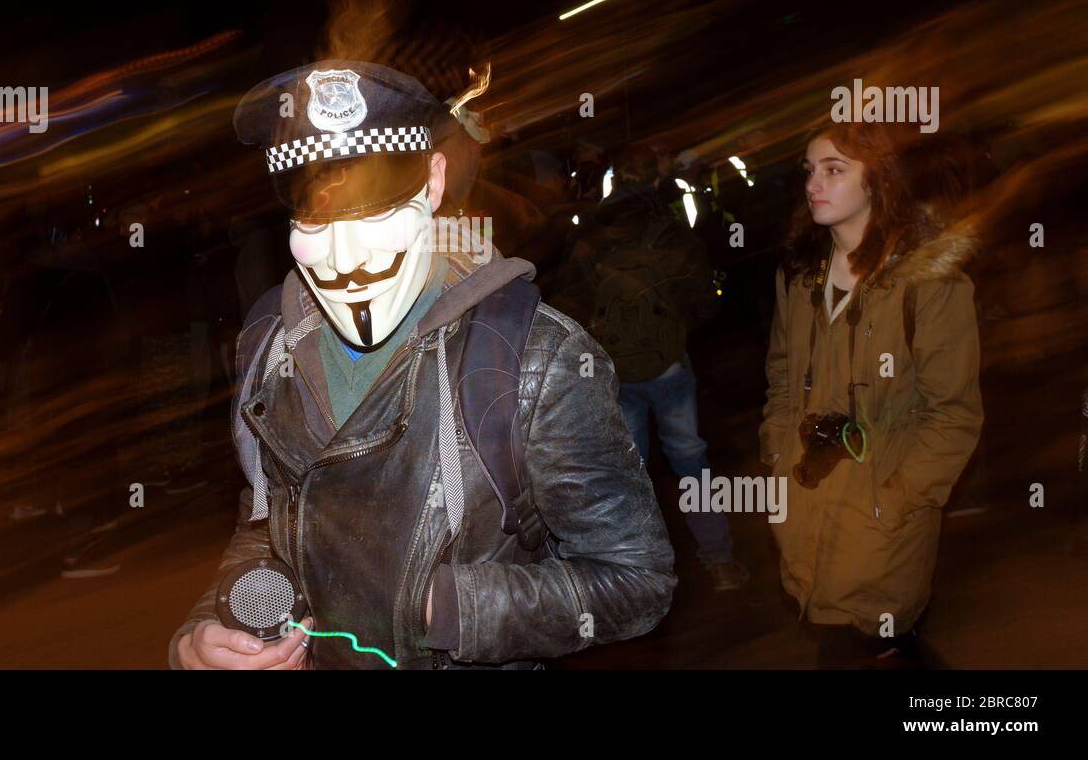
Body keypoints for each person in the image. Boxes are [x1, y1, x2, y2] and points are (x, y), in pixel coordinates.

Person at [169, 60, 676, 669]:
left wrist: (446, 606)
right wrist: (211, 628)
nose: (347, 255)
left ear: (434, 180)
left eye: (375, 209)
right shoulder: (269, 345)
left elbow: (635, 580)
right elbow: (264, 519)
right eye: (316, 212)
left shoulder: (535, 360)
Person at [760, 120, 983, 668]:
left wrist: (899, 496)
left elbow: (952, 414)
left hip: (883, 513)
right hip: (807, 496)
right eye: (810, 171)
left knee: (862, 640)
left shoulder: (930, 281)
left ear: (877, 182)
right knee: (857, 640)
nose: (815, 183)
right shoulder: (798, 276)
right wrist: (777, 456)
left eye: (835, 170)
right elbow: (783, 378)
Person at [550, 146, 749, 592]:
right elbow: (703, 302)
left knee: (629, 470)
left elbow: (565, 306)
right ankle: (720, 561)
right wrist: (669, 330)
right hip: (670, 370)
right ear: (654, 181)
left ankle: (640, 573)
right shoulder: (673, 232)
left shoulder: (589, 235)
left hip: (616, 375)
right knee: (691, 461)